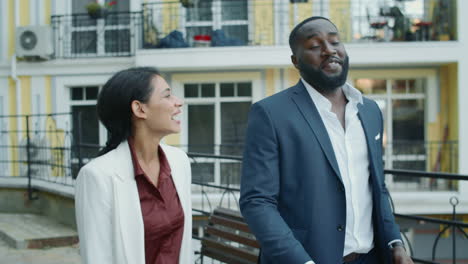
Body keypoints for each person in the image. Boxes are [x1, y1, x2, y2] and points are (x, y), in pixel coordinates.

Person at [239, 17, 414, 264]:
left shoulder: (370, 110)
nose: (329, 50)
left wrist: (394, 242)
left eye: (334, 41)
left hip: (372, 258)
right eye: (314, 45)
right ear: (295, 61)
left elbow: (376, 187)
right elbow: (257, 201)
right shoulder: (270, 113)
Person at [75, 67, 192, 264]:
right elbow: (97, 257)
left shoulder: (179, 162)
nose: (178, 102)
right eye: (167, 96)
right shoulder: (97, 175)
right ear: (139, 109)